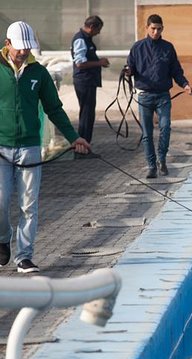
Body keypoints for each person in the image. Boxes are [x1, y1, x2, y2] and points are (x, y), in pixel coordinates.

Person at [0, 21, 90, 273]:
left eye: (27, 48)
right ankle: (3, 238)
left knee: (29, 204)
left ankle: (24, 257)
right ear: (7, 44)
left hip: (29, 146)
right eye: (19, 48)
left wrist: (74, 137)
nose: (23, 52)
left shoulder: (38, 73)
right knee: (1, 201)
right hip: (1, 146)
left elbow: (54, 108)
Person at [125, 14, 192, 179]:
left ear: (162, 29)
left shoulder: (168, 48)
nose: (156, 32)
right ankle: (151, 166)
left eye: (159, 29)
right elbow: (131, 68)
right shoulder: (137, 47)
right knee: (147, 134)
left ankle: (162, 158)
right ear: (147, 28)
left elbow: (176, 71)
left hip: (163, 96)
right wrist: (127, 72)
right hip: (144, 97)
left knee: (165, 127)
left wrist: (185, 85)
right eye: (153, 28)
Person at [71, 15, 109, 148]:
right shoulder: (81, 39)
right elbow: (80, 63)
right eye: (98, 29)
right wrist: (99, 62)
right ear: (92, 27)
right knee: (86, 115)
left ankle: (84, 145)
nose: (99, 33)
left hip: (88, 81)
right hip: (84, 81)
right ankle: (83, 146)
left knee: (88, 113)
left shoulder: (86, 39)